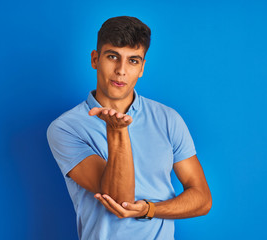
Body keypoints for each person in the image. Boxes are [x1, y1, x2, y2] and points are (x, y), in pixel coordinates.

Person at [47, 16, 212, 240]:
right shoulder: (65, 128)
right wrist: (117, 131)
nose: (121, 70)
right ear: (95, 59)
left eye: (133, 61)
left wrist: (149, 209)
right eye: (113, 57)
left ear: (142, 67)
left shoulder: (168, 119)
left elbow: (202, 199)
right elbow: (118, 198)